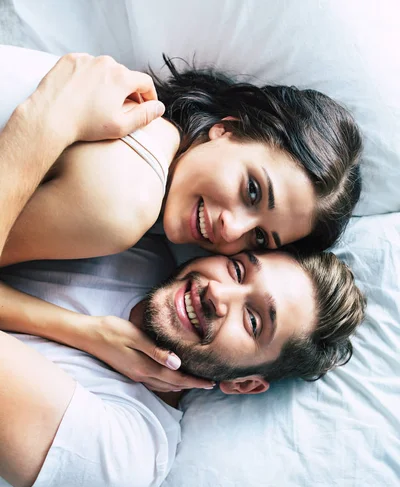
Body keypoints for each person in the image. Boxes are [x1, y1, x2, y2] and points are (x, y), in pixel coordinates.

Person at [0, 53, 363, 390]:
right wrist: (44, 124)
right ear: (227, 129)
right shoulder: (127, 198)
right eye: (252, 191)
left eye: (259, 238)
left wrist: (91, 333)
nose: (232, 229)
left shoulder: (150, 195)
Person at [0, 232, 365, 487]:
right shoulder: (135, 247)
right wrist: (86, 332)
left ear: (243, 384)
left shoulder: (130, 456)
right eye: (238, 270)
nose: (218, 293)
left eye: (252, 321)